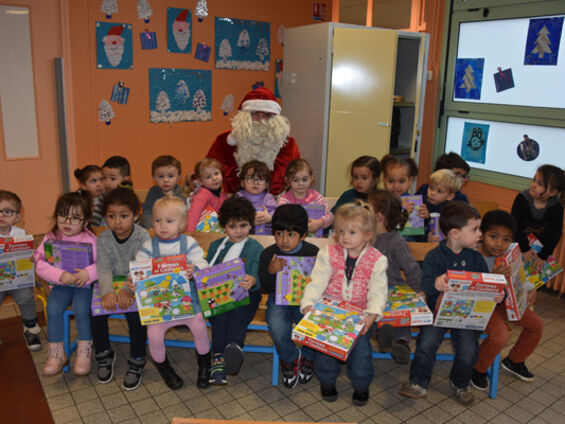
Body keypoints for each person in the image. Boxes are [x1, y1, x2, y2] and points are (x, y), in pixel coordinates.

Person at [399, 201, 486, 406]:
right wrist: (436, 283)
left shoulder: (476, 259)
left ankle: (460, 382)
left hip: (465, 315)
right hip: (436, 311)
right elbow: (425, 283)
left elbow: (486, 285)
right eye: (475, 229)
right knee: (427, 342)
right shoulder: (434, 256)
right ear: (455, 233)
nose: (480, 234)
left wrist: (498, 296)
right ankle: (418, 382)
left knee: (469, 349)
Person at [301, 201, 388, 406]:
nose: (345, 237)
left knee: (361, 357)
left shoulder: (377, 259)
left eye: (351, 232)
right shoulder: (329, 253)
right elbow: (318, 281)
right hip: (329, 313)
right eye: (341, 231)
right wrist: (308, 304)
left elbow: (378, 290)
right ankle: (328, 381)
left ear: (367, 235)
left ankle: (361, 385)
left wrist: (373, 314)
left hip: (359, 317)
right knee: (325, 354)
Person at [135, 196, 211, 390]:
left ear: (182, 224)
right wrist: (133, 278)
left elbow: (203, 262)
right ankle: (164, 367)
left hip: (188, 301)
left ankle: (205, 365)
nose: (162, 226)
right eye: (158, 220)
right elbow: (138, 270)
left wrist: (194, 268)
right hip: (159, 305)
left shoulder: (189, 243)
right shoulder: (148, 247)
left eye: (169, 221)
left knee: (200, 327)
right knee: (153, 334)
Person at [471, 210, 543, 391]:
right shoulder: (472, 255)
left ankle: (514, 361)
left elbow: (519, 274)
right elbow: (470, 289)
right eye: (493, 236)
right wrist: (492, 278)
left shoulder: (508, 254)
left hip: (504, 303)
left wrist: (530, 288)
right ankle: (477, 369)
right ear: (481, 234)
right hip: (482, 305)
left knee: (536, 324)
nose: (499, 244)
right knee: (501, 335)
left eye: (506, 239)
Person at [91, 188, 150, 390]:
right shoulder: (104, 238)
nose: (117, 222)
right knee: (97, 315)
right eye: (111, 216)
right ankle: (104, 354)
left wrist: (127, 289)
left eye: (124, 216)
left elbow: (142, 265)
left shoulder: (143, 237)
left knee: (136, 317)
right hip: (109, 282)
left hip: (135, 282)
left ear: (135, 215)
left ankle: (137, 359)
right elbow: (103, 267)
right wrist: (107, 291)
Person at [34, 192, 98, 376]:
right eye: (63, 215)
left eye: (75, 218)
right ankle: (57, 353)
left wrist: (88, 274)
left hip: (84, 286)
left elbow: (102, 263)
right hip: (61, 284)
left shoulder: (91, 239)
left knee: (81, 308)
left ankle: (84, 349)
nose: (67, 222)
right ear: (56, 216)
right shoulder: (51, 237)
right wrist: (59, 275)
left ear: (85, 222)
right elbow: (39, 262)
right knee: (53, 308)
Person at [259, 204, 318, 388]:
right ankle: (289, 358)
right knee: (277, 325)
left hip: (305, 301)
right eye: (279, 234)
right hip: (279, 300)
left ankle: (308, 357)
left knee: (310, 326)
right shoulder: (269, 254)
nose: (284, 240)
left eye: (291, 234)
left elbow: (323, 282)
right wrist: (270, 271)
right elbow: (264, 287)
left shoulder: (313, 253)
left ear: (302, 235)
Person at [206, 197, 264, 385]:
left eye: (243, 225)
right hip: (219, 296)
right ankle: (219, 357)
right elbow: (207, 271)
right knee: (220, 316)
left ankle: (233, 346)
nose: (238, 231)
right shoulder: (216, 246)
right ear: (224, 226)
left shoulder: (255, 247)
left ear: (251, 224)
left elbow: (257, 271)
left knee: (239, 312)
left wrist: (252, 279)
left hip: (247, 294)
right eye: (232, 226)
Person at [207, 87, 300, 195]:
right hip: (234, 204)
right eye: (254, 113)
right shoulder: (224, 141)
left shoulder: (288, 144)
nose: (260, 120)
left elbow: (298, 175)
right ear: (244, 116)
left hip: (276, 205)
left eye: (267, 115)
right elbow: (206, 171)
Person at [369, 190, 422, 364]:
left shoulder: (396, 240)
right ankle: (381, 334)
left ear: (379, 217)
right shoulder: (364, 237)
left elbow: (411, 267)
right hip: (370, 291)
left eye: (367, 210)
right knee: (371, 310)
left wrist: (418, 291)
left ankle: (401, 344)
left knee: (401, 315)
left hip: (394, 290)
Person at [0, 190, 42, 351]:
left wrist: (32, 257)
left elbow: (29, 254)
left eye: (8, 212)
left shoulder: (20, 234)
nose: (2, 215)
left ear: (18, 217)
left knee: (26, 298)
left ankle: (30, 328)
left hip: (18, 280)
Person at [511, 164, 565, 273]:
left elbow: (555, 234)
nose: (533, 185)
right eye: (534, 180)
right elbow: (514, 224)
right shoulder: (522, 198)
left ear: (553, 192)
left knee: (532, 281)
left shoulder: (557, 207)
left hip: (539, 253)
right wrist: (524, 248)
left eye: (540, 184)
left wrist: (543, 256)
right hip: (519, 245)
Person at [278, 159, 333, 235]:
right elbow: (280, 220)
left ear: (311, 178)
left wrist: (320, 223)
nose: (300, 183)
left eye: (304, 179)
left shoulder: (316, 197)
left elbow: (330, 216)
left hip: (315, 240)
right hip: (291, 240)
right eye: (295, 180)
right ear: (287, 180)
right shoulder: (285, 199)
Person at [416, 169, 462, 242]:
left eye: (439, 191)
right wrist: (425, 219)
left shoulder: (450, 211)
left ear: (449, 196)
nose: (433, 193)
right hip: (420, 242)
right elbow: (414, 232)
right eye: (431, 188)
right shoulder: (420, 202)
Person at [142, 155, 185, 229]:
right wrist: (152, 228)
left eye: (170, 176)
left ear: (179, 178)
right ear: (154, 178)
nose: (166, 180)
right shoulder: (153, 192)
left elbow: (184, 216)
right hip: (155, 229)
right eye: (161, 176)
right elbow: (148, 213)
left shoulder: (182, 193)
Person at [234, 160, 276, 234]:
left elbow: (275, 215)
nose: (255, 182)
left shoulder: (269, 198)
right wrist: (249, 221)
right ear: (242, 183)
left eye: (260, 179)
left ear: (266, 184)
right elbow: (233, 218)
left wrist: (269, 218)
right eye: (250, 178)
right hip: (243, 236)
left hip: (265, 237)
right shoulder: (238, 197)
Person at [185, 158, 227, 232]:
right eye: (208, 177)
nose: (214, 178)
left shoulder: (223, 196)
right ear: (200, 181)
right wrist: (189, 234)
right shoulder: (202, 195)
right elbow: (193, 214)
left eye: (216, 173)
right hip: (202, 234)